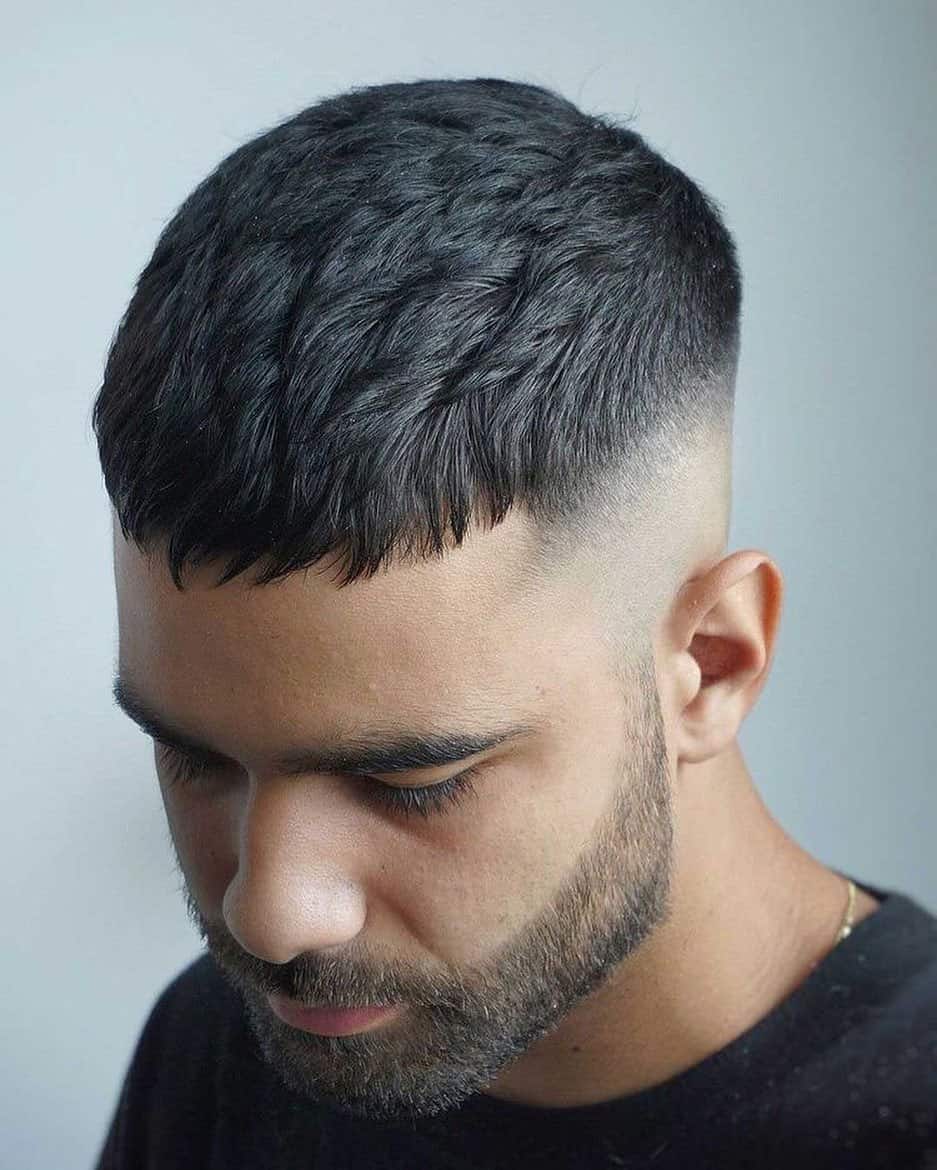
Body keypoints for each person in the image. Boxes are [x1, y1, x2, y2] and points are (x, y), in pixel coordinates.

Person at [91, 77, 937, 1169]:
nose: (272, 918)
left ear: (708, 666)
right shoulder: (221, 1051)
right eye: (192, 755)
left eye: (412, 783)